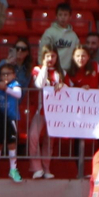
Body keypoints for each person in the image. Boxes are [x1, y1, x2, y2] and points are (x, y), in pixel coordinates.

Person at [29, 45, 66, 179]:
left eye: (53, 56)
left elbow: (69, 88)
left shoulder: (61, 72)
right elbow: (39, 84)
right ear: (43, 57)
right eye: (47, 56)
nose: (50, 59)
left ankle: (46, 168)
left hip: (55, 112)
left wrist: (63, 85)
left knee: (49, 141)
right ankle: (36, 167)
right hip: (40, 110)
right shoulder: (37, 69)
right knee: (33, 136)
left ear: (57, 57)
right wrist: (44, 66)